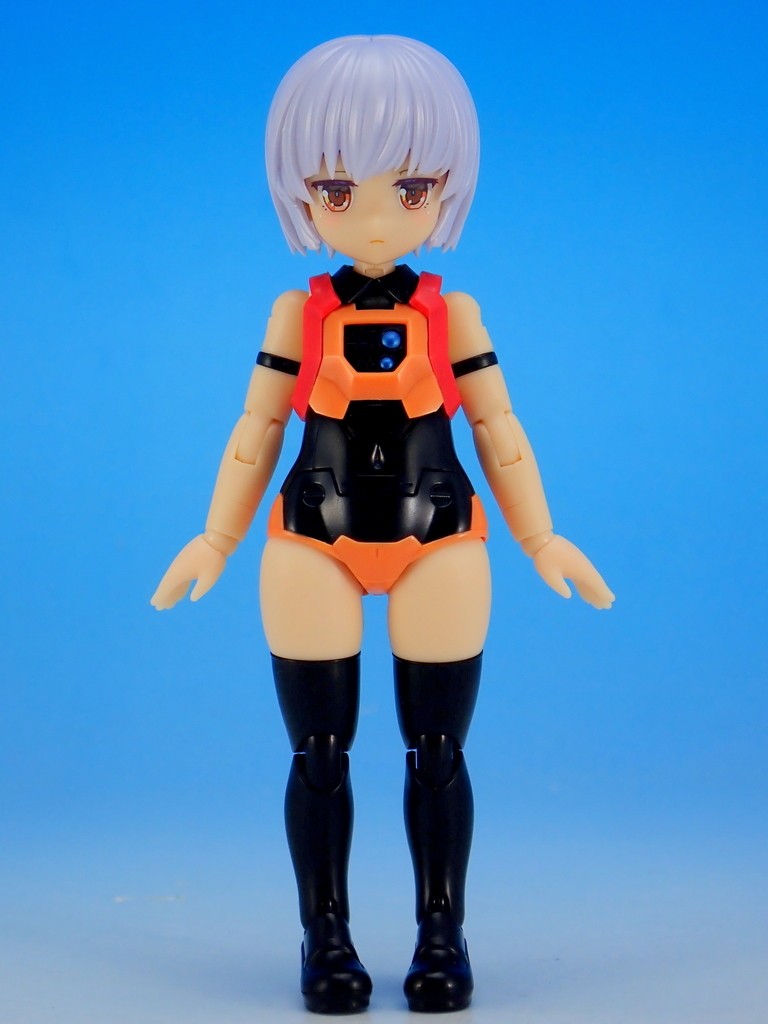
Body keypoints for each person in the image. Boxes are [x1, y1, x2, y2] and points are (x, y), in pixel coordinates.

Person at [152, 35, 614, 1015]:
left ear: (445, 188)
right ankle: (325, 936)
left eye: (409, 188)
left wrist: (541, 536)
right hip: (310, 537)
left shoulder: (455, 314)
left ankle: (442, 932)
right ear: (302, 194)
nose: (371, 216)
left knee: (437, 751)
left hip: (438, 536)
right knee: (319, 753)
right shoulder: (298, 313)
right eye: (335, 187)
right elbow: (255, 430)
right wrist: (216, 537)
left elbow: (499, 430)